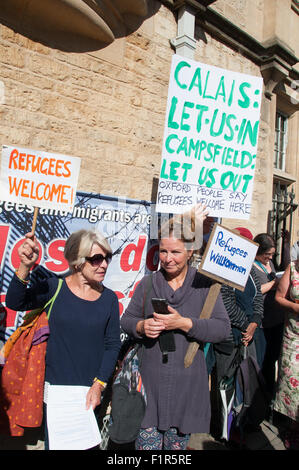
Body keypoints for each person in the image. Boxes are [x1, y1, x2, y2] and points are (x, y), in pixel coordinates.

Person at [120, 205, 231, 450]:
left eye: (175, 252)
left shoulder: (205, 286)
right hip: (148, 386)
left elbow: (222, 329)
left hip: (186, 386)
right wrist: (141, 325)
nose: (167, 258)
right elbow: (126, 320)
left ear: (191, 252)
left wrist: (184, 323)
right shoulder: (148, 284)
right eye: (163, 251)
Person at [3, 229, 121, 449]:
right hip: (54, 395)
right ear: (77, 261)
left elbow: (112, 344)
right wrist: (25, 266)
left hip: (90, 396)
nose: (103, 264)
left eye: (107, 258)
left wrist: (99, 385)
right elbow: (15, 302)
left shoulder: (109, 299)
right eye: (96, 259)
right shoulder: (53, 288)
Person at [210, 227, 265, 440]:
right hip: (229, 338)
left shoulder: (250, 271)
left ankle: (243, 420)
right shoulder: (222, 270)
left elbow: (258, 298)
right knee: (226, 382)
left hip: (248, 337)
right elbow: (225, 303)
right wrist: (245, 325)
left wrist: (254, 322)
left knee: (245, 380)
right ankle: (225, 429)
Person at [252, 233, 284, 399]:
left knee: (272, 360)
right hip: (262, 323)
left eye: (272, 255)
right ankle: (260, 398)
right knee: (262, 361)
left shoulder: (270, 263)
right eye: (267, 254)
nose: (270, 257)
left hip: (276, 320)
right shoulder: (251, 267)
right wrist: (273, 284)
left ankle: (270, 396)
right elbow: (254, 291)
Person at [274, 260, 299, 450]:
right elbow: (279, 297)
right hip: (294, 338)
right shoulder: (294, 268)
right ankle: (293, 427)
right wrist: (295, 307)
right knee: (291, 383)